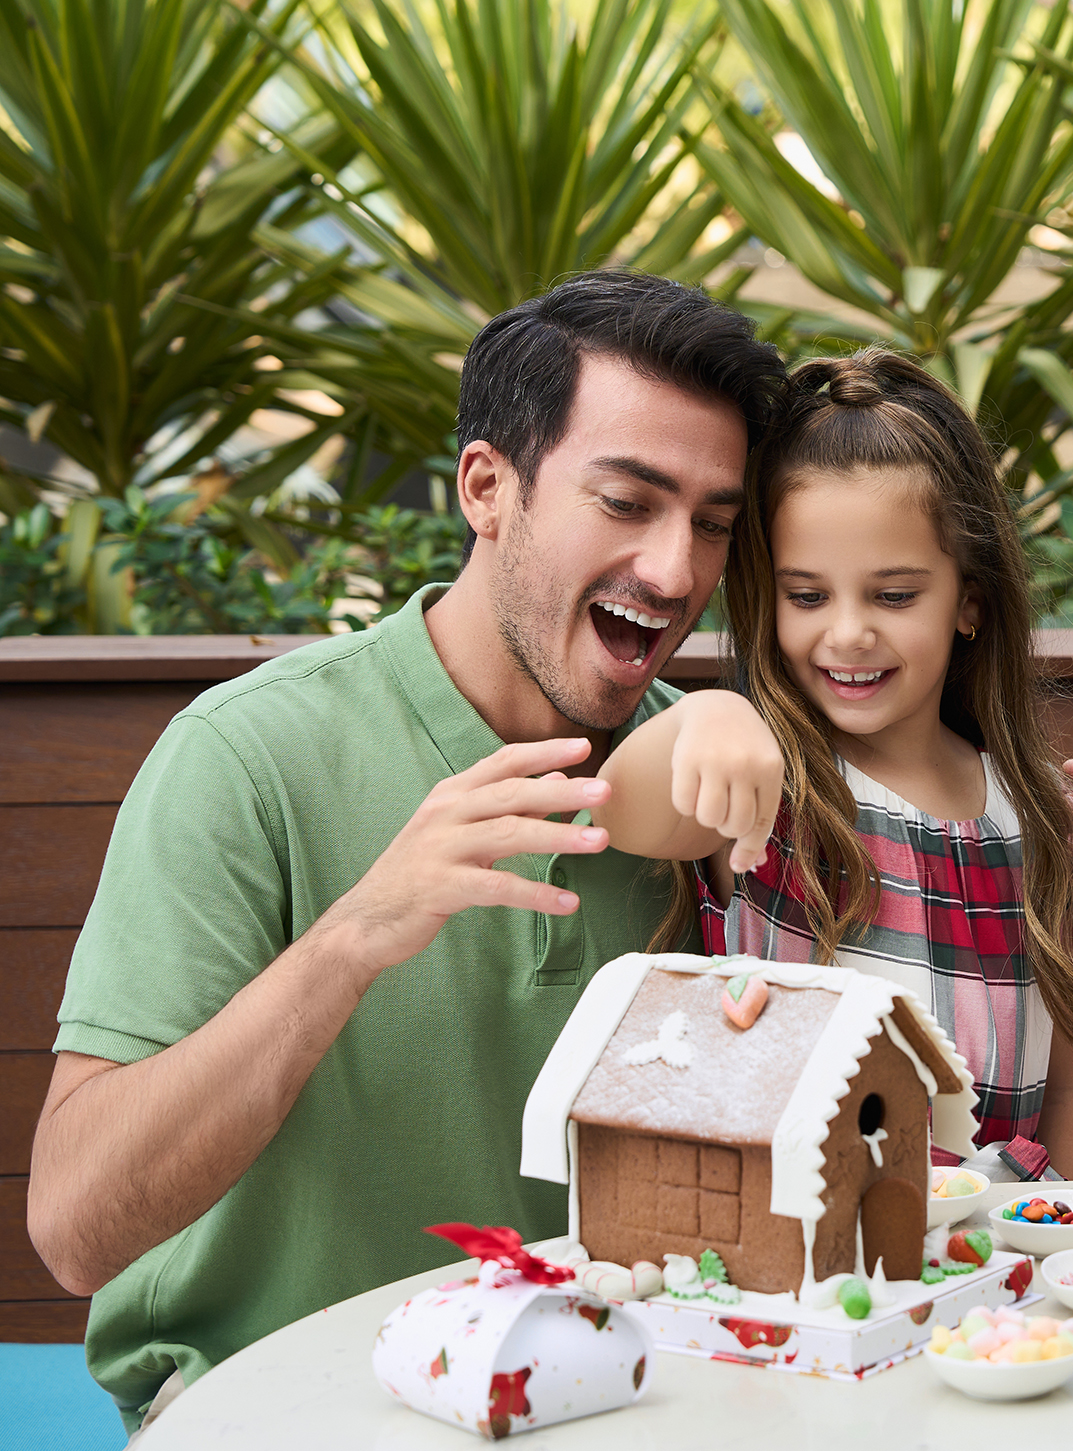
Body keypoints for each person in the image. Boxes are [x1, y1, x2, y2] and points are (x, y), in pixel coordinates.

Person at [27, 271, 788, 1431]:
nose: (677, 571)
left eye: (713, 525)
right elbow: (76, 1231)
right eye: (627, 502)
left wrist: (1050, 867)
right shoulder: (246, 756)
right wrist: (354, 937)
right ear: (487, 489)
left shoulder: (702, 780)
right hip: (271, 1414)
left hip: (604, 1406)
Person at [592, 349, 1073, 1181]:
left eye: (894, 595)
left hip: (991, 1247)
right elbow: (617, 808)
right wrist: (707, 713)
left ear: (970, 599)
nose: (849, 633)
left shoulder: (1031, 808)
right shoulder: (776, 784)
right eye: (807, 595)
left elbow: (1065, 1080)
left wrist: (1065, 1234)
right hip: (806, 1239)